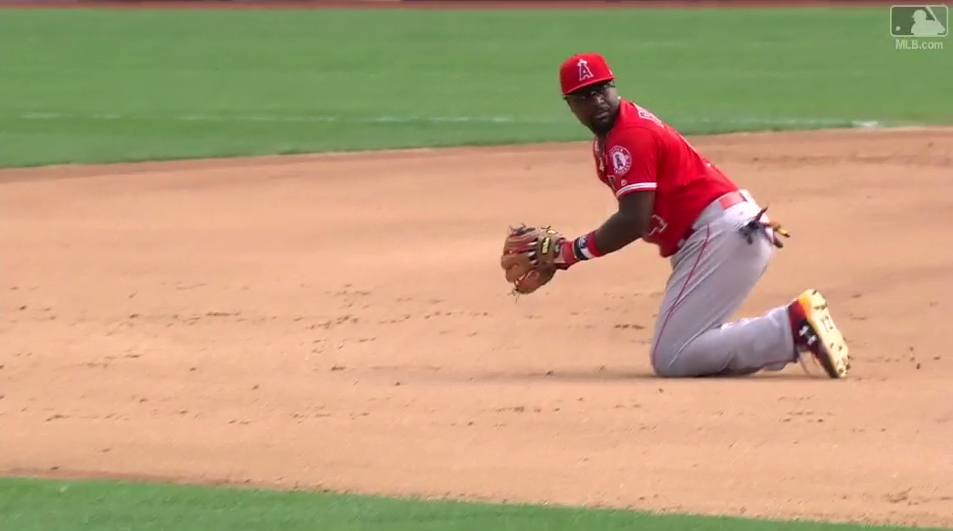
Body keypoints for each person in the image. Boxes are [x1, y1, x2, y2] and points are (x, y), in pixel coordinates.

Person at [545, 52, 851, 378]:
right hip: (723, 233)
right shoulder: (614, 137)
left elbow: (634, 219)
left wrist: (570, 252)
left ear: (614, 87)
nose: (598, 100)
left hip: (719, 235)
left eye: (602, 89)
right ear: (571, 105)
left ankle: (789, 328)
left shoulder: (629, 135)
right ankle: (789, 331)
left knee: (673, 357)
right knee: (687, 350)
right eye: (585, 96)